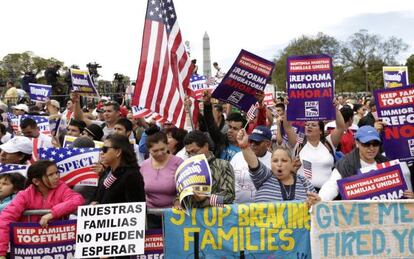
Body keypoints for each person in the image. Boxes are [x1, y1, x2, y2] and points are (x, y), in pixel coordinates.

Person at [0, 160, 84, 258]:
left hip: (58, 248)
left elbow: (77, 200)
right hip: (29, 249)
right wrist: (1, 253)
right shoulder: (24, 195)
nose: (56, 176)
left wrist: (53, 213)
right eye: (51, 174)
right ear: (36, 181)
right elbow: (5, 219)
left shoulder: (62, 188)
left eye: (57, 172)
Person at [319, 126, 413, 201]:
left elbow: (400, 191)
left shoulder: (386, 163)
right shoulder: (345, 164)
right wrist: (320, 199)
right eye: (366, 144)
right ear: (357, 143)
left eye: (375, 144)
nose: (371, 148)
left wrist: (410, 197)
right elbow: (331, 185)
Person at [236, 129, 316, 202]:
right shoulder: (264, 177)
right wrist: (244, 146)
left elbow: (316, 204)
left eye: (284, 161)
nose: (279, 164)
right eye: (275, 161)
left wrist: (315, 202)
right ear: (270, 163)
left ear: (291, 163)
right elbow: (254, 163)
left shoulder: (304, 182)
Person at [289, 101, 345, 191]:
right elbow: (287, 127)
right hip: (303, 193)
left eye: (313, 125)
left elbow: (340, 127)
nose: (309, 126)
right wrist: (289, 107)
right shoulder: (298, 144)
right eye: (307, 125)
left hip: (328, 194)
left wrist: (335, 109)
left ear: (321, 131)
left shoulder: (329, 143)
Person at [140, 131, 183, 228]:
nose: (159, 153)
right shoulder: (144, 165)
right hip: (150, 216)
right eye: (155, 151)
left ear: (167, 146)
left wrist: (178, 201)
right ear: (149, 150)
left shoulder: (178, 163)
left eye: (162, 149)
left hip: (174, 215)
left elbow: (185, 188)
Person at [183, 130, 235, 207]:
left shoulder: (223, 166)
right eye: (188, 153)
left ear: (206, 146)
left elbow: (229, 197)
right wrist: (177, 200)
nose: (191, 156)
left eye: (195, 151)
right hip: (191, 216)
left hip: (215, 216)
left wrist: (207, 198)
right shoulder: (186, 168)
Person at [94, 134, 145, 204]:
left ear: (118, 152)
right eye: (101, 149)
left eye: (105, 149)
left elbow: (136, 208)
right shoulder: (108, 171)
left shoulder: (132, 176)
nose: (101, 153)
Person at [230, 126, 272, 203]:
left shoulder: (274, 160)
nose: (252, 144)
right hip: (236, 208)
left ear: (268, 144)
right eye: (251, 141)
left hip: (263, 209)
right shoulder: (237, 157)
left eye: (257, 142)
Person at [201, 91, 246, 161]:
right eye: (230, 127)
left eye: (235, 129)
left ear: (243, 131)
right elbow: (211, 125)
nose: (230, 131)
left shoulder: (246, 150)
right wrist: (207, 105)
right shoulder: (221, 140)